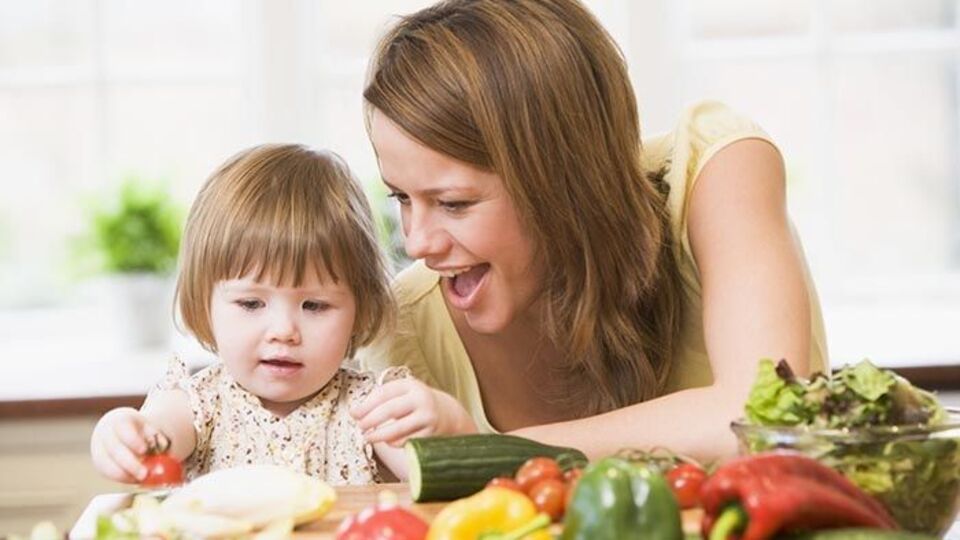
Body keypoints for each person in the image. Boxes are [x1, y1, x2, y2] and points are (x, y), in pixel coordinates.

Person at [353, 0, 828, 462]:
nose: (417, 243)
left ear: (563, 181)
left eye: (453, 203)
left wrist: (491, 451)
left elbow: (762, 419)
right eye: (401, 198)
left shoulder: (716, 174)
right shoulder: (407, 329)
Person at [90, 144, 475, 485]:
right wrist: (121, 434)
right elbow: (154, 435)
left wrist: (450, 423)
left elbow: (450, 479)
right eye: (251, 304)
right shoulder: (198, 405)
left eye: (314, 306)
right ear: (203, 304)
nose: (284, 331)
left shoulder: (369, 409)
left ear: (360, 311)